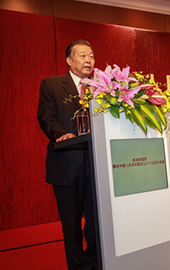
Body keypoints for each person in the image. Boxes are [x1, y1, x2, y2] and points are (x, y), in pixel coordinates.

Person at [37, 40, 97, 270]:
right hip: (66, 160)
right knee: (71, 222)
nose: (89, 60)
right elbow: (46, 117)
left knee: (95, 219)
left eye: (91, 55)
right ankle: (78, 265)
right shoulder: (51, 85)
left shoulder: (101, 89)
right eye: (83, 55)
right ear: (69, 61)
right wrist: (61, 135)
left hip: (95, 162)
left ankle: (95, 259)